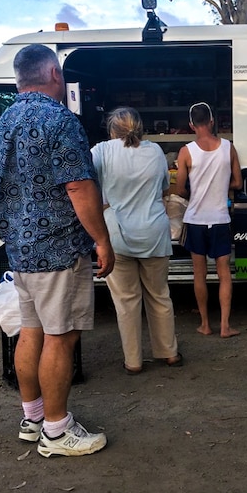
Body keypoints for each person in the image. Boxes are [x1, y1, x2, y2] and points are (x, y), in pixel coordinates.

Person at [0, 44, 116, 458]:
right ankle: (58, 432)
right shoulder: (60, 121)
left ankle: (34, 418)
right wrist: (102, 239)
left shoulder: (3, 122)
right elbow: (78, 187)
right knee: (60, 338)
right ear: (53, 74)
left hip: (20, 251)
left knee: (31, 331)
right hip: (59, 250)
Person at [90, 107, 182, 374]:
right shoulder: (154, 151)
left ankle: (133, 361)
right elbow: (165, 189)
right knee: (159, 295)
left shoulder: (101, 151)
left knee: (126, 302)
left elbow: (84, 183)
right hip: (154, 232)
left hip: (117, 235)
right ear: (140, 128)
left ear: (111, 129)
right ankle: (169, 353)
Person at [175, 101, 243, 338]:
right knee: (224, 273)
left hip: (195, 220)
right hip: (220, 219)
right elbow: (238, 182)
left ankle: (205, 324)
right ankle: (225, 326)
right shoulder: (228, 148)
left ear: (192, 124)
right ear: (212, 121)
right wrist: (221, 187)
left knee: (199, 273)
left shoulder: (186, 152)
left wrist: (195, 191)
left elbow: (180, 188)